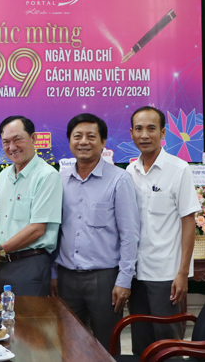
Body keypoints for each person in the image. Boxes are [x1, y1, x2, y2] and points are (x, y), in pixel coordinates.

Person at [50, 113, 140, 349]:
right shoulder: (59, 179)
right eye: (77, 136)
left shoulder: (119, 179)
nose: (84, 142)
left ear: (103, 142)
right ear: (69, 141)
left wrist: (124, 281)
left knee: (106, 345)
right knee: (68, 344)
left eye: (91, 136)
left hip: (105, 280)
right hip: (67, 278)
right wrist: (53, 273)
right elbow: (54, 231)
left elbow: (129, 234)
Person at [126, 106, 199, 356]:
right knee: (141, 343)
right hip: (137, 273)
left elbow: (188, 221)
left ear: (163, 132)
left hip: (167, 274)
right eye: (138, 129)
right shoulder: (130, 171)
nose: (144, 135)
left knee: (169, 345)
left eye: (151, 128)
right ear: (131, 133)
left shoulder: (179, 169)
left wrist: (182, 273)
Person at [0, 116, 62, 297]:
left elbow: (37, 229)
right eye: (6, 142)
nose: (12, 147)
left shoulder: (47, 176)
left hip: (30, 265)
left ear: (33, 138)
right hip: (2, 264)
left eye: (17, 139)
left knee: (26, 316)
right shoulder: (4, 175)